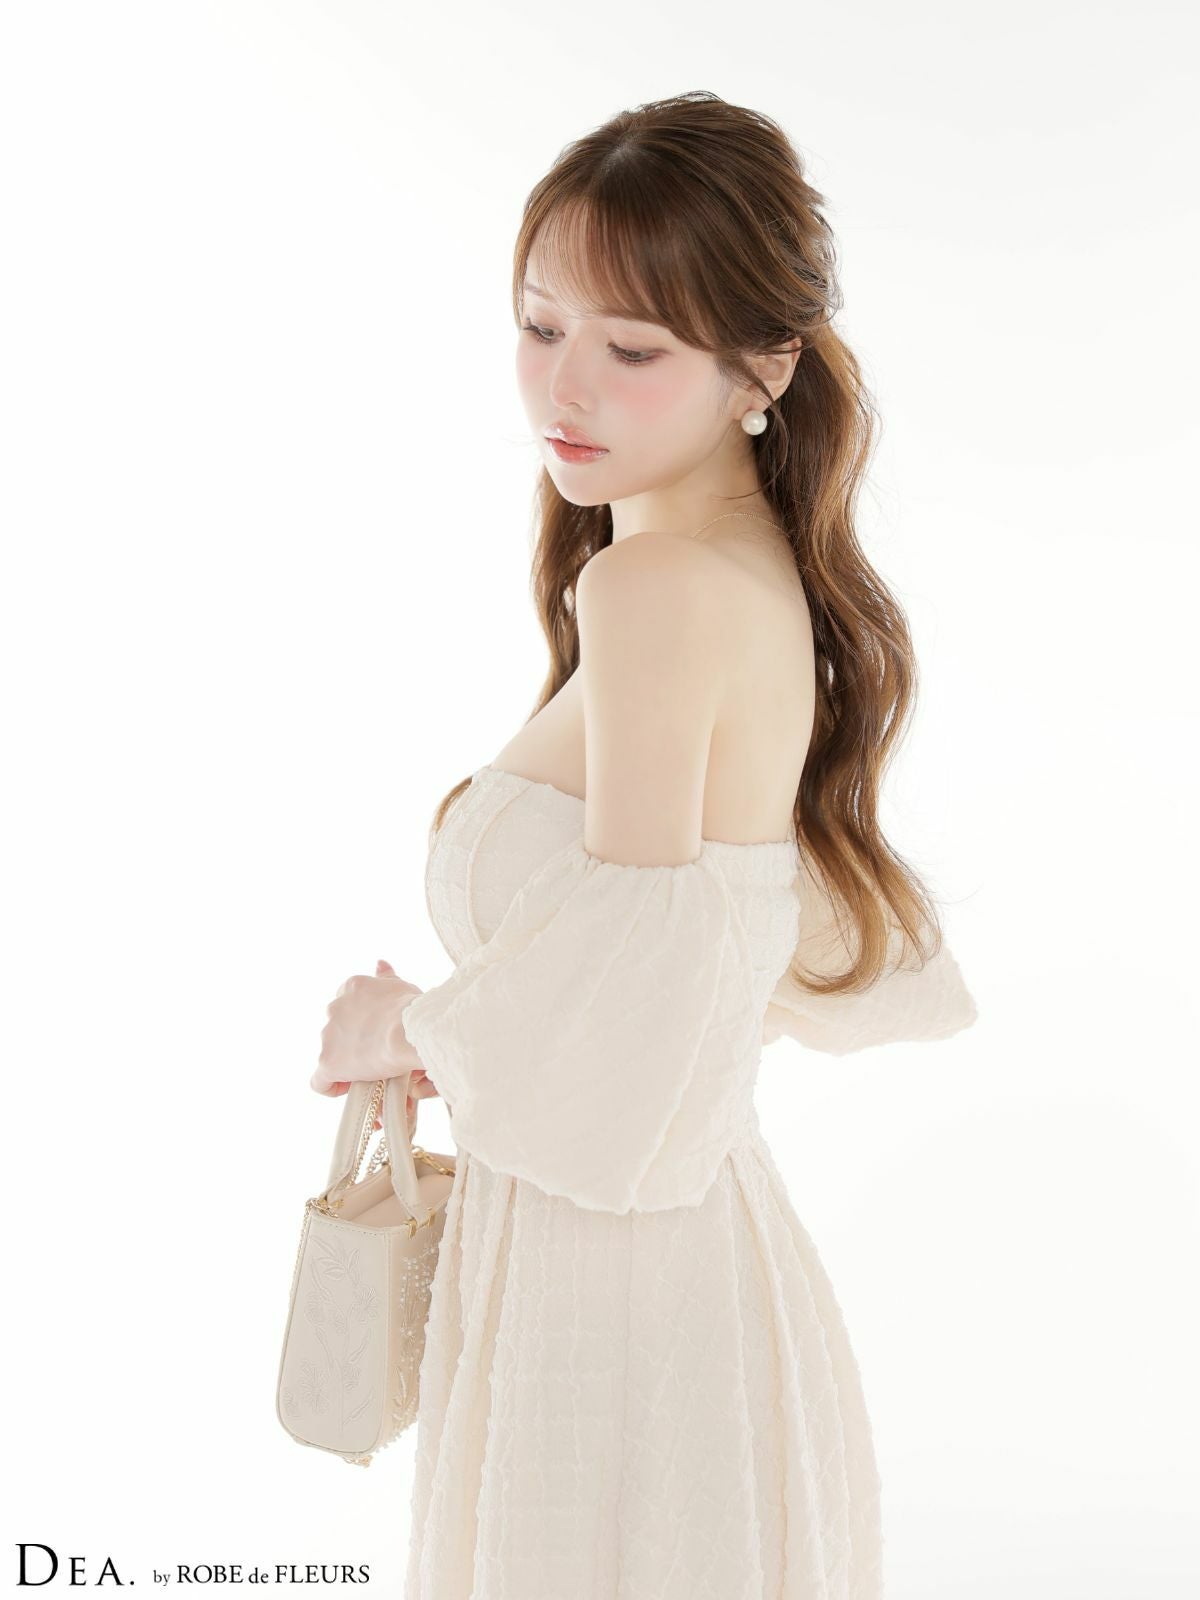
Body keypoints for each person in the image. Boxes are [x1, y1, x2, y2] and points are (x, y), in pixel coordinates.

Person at [312, 90, 977, 1600]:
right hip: (664, 1272)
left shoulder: (655, 590)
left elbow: (641, 987)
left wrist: (407, 1026)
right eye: (542, 325)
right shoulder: (721, 566)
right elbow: (681, 964)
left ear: (765, 368)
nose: (566, 387)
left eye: (634, 349)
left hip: (612, 1299)